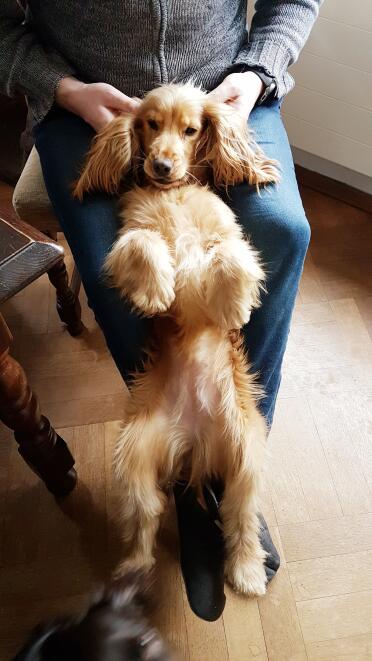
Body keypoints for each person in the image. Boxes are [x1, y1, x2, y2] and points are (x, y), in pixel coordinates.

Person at [0, 0, 321, 622]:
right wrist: (62, 89)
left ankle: (224, 465)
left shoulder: (228, 98)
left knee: (284, 231)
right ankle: (181, 481)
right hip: (88, 105)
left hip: (223, 95)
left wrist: (254, 75)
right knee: (112, 265)